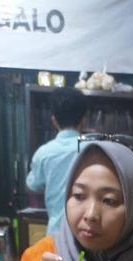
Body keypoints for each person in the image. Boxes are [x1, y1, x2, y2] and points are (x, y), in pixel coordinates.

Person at [26, 87, 87, 235]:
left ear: (54, 121)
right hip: (86, 234)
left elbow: (32, 187)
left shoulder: (43, 153)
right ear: (84, 120)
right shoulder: (93, 149)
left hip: (56, 234)